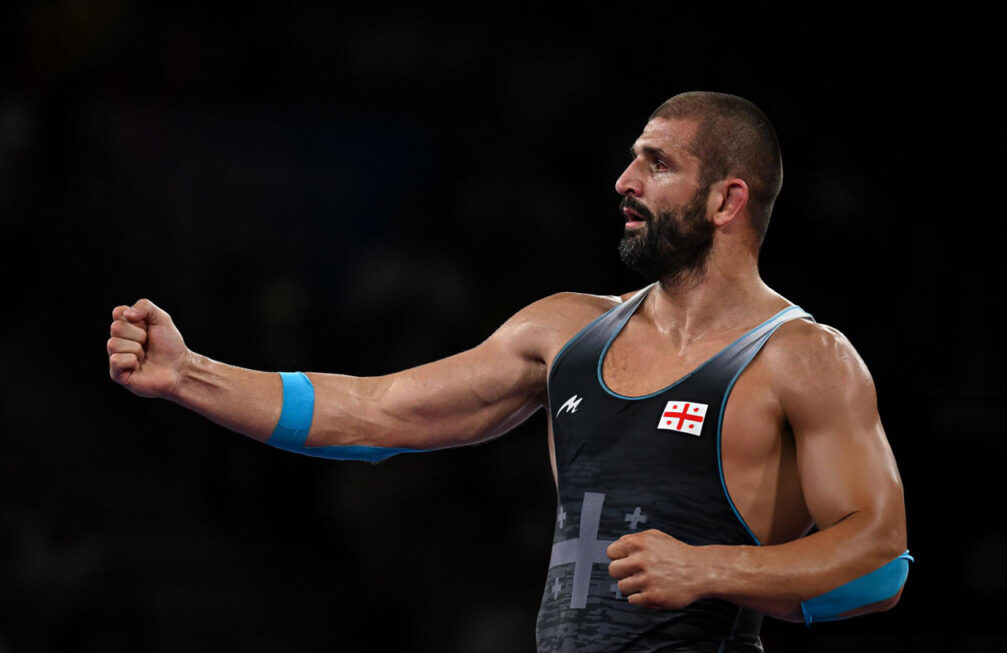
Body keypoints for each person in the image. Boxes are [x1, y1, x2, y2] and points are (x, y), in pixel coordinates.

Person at [107, 91, 911, 652]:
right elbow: (373, 412)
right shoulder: (565, 329)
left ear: (726, 200)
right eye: (631, 160)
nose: (623, 182)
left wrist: (709, 568)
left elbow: (877, 566)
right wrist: (191, 374)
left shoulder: (804, 356)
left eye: (656, 164)